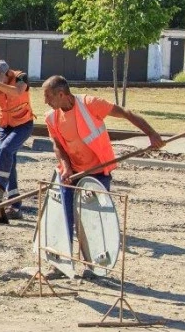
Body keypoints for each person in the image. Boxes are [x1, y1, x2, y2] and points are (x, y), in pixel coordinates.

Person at [41, 75, 163, 240]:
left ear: (61, 94)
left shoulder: (90, 104)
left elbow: (126, 113)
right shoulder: (51, 117)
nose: (45, 101)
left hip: (97, 171)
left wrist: (152, 134)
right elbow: (58, 146)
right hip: (71, 173)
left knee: (96, 219)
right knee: (65, 217)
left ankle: (95, 261)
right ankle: (63, 259)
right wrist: (66, 166)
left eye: (48, 96)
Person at [0, 60, 34, 219]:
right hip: (5, 126)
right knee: (8, 162)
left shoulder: (21, 77)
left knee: (5, 151)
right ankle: (15, 206)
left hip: (23, 125)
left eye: (1, 77)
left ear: (7, 73)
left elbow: (18, 92)